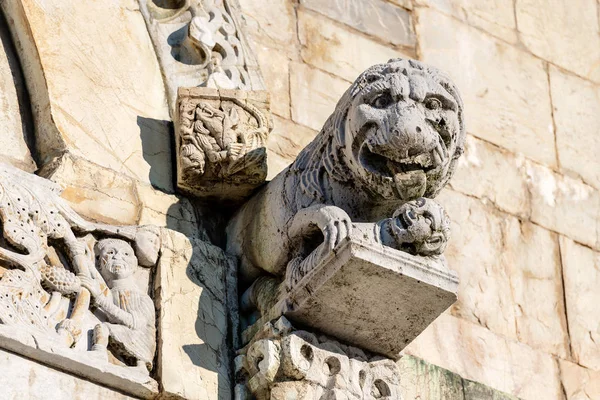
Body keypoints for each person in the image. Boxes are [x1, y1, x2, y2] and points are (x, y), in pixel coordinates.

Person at [79, 238, 155, 372]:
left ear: (135, 264)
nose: (117, 256)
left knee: (103, 328)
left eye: (125, 254)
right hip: (122, 329)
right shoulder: (111, 291)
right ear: (100, 263)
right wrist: (85, 257)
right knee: (102, 329)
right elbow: (98, 280)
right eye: (110, 252)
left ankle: (140, 366)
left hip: (140, 340)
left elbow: (133, 323)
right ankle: (99, 354)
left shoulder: (142, 298)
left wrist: (100, 299)